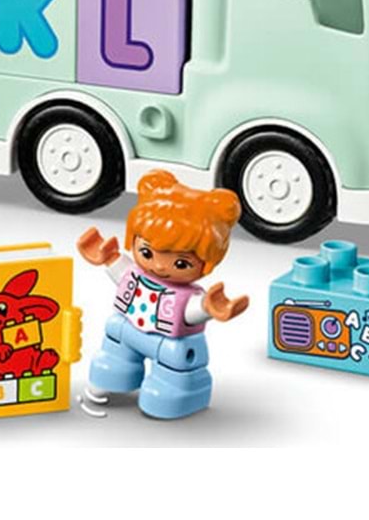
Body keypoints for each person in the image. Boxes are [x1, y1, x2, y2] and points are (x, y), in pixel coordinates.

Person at [79, 170, 247, 419]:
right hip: (125, 331)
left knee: (173, 371)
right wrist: (107, 257)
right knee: (114, 353)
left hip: (169, 345)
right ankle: (113, 373)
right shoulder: (135, 274)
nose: (158, 266)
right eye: (147, 253)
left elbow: (193, 309)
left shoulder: (186, 296)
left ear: (207, 264)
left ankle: (174, 391)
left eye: (180, 263)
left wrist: (209, 307)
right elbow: (120, 272)